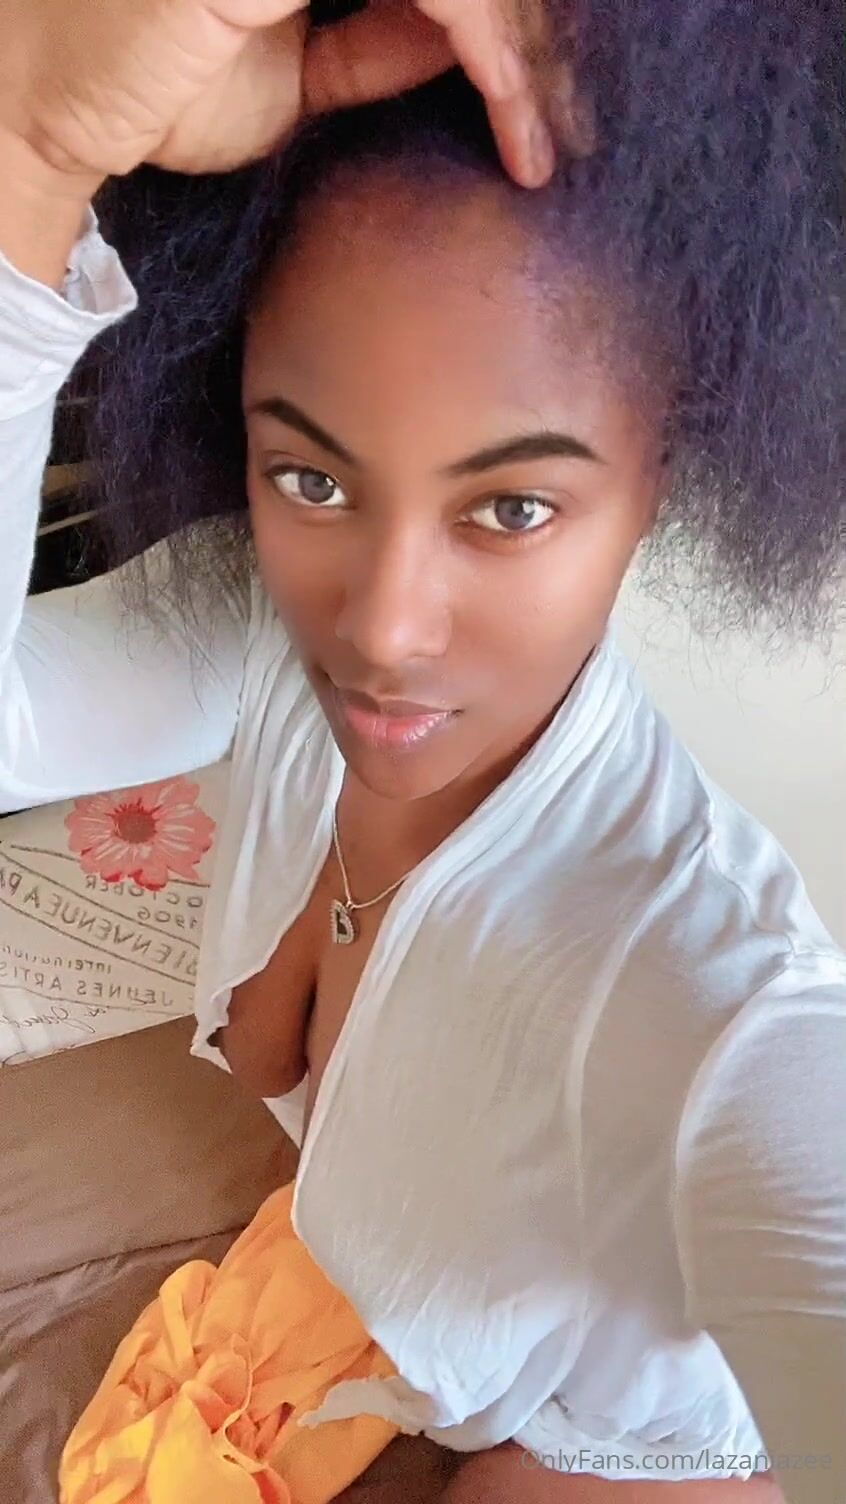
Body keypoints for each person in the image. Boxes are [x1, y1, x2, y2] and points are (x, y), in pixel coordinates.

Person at [1, 1, 844, 1501]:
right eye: (312, 479)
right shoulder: (258, 641)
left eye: (509, 508)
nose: (383, 631)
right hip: (375, 1308)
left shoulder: (713, 995)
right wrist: (32, 148)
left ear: (662, 477)